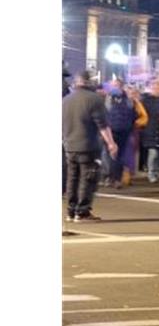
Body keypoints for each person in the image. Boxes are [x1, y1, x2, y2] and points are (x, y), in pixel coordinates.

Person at [63, 71, 117, 222]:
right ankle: (83, 211)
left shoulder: (65, 100)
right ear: (88, 82)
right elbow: (103, 125)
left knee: (72, 178)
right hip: (88, 145)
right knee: (88, 178)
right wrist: (111, 143)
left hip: (70, 145)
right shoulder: (94, 99)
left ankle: (71, 211)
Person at [103, 79, 138, 189]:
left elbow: (104, 113)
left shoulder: (109, 98)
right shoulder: (127, 99)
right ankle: (114, 178)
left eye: (115, 85)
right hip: (119, 131)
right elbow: (133, 114)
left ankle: (111, 178)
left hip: (114, 130)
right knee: (117, 155)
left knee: (112, 155)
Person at [139, 81, 159, 184]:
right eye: (155, 88)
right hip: (150, 130)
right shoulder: (145, 101)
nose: (157, 90)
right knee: (153, 153)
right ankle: (152, 174)